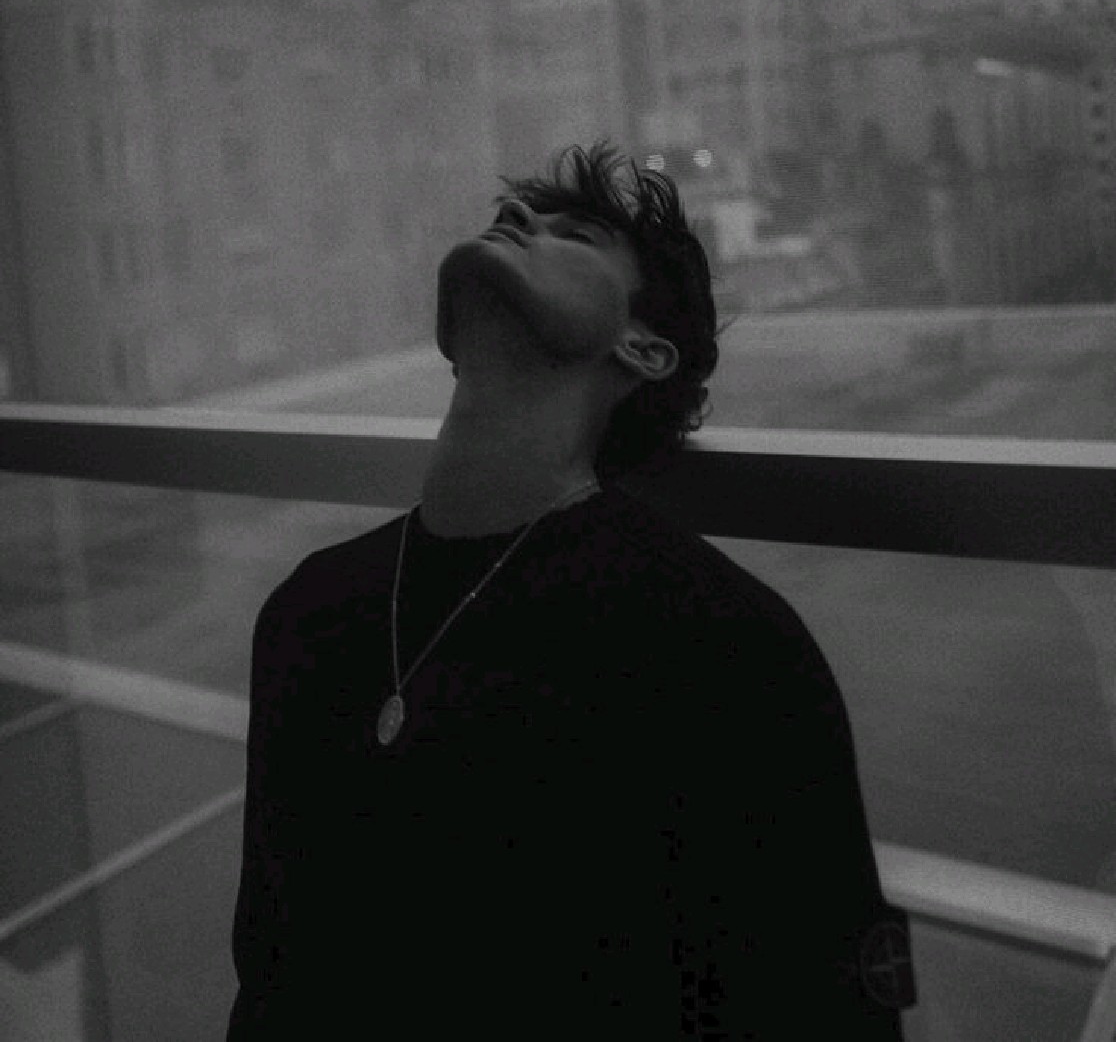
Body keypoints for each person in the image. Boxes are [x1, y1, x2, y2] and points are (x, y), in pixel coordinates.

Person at [226, 141, 917, 1039]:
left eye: (577, 235)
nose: (517, 220)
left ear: (645, 348)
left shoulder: (722, 647)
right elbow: (268, 982)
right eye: (514, 216)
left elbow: (826, 1015)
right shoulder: (306, 612)